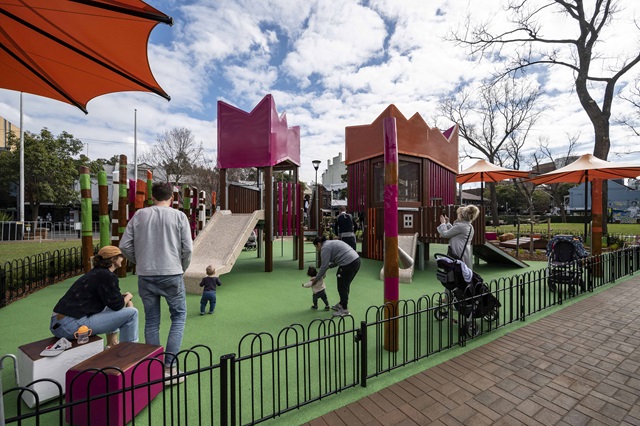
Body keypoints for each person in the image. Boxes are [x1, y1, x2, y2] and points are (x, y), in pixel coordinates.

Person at [120, 182, 193, 381]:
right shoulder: (179, 216)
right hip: (172, 272)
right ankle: (170, 366)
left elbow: (124, 245)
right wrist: (182, 267)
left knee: (152, 321)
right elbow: (188, 249)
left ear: (152, 197)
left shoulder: (140, 215)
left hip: (146, 273)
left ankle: (155, 367)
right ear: (172, 198)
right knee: (178, 317)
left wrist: (140, 261)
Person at [50, 246, 138, 348]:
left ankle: (112, 344)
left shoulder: (95, 273)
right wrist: (129, 297)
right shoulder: (108, 276)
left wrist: (120, 298)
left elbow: (111, 302)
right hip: (70, 325)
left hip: (58, 323)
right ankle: (129, 352)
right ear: (113, 259)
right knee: (132, 313)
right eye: (120, 256)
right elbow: (117, 305)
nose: (123, 259)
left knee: (108, 307)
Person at [312, 236, 360, 317]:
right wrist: (326, 269)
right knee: (343, 282)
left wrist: (317, 278)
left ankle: (344, 309)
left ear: (319, 244)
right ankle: (341, 304)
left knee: (342, 285)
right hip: (355, 260)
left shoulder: (325, 248)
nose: (317, 249)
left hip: (349, 263)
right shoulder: (330, 243)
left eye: (316, 247)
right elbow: (336, 261)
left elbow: (324, 265)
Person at [437, 205, 480, 270]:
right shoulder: (469, 226)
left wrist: (443, 223)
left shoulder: (461, 226)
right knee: (462, 271)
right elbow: (455, 232)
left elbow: (445, 234)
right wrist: (448, 223)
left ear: (462, 216)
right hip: (464, 252)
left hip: (458, 252)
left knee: (457, 272)